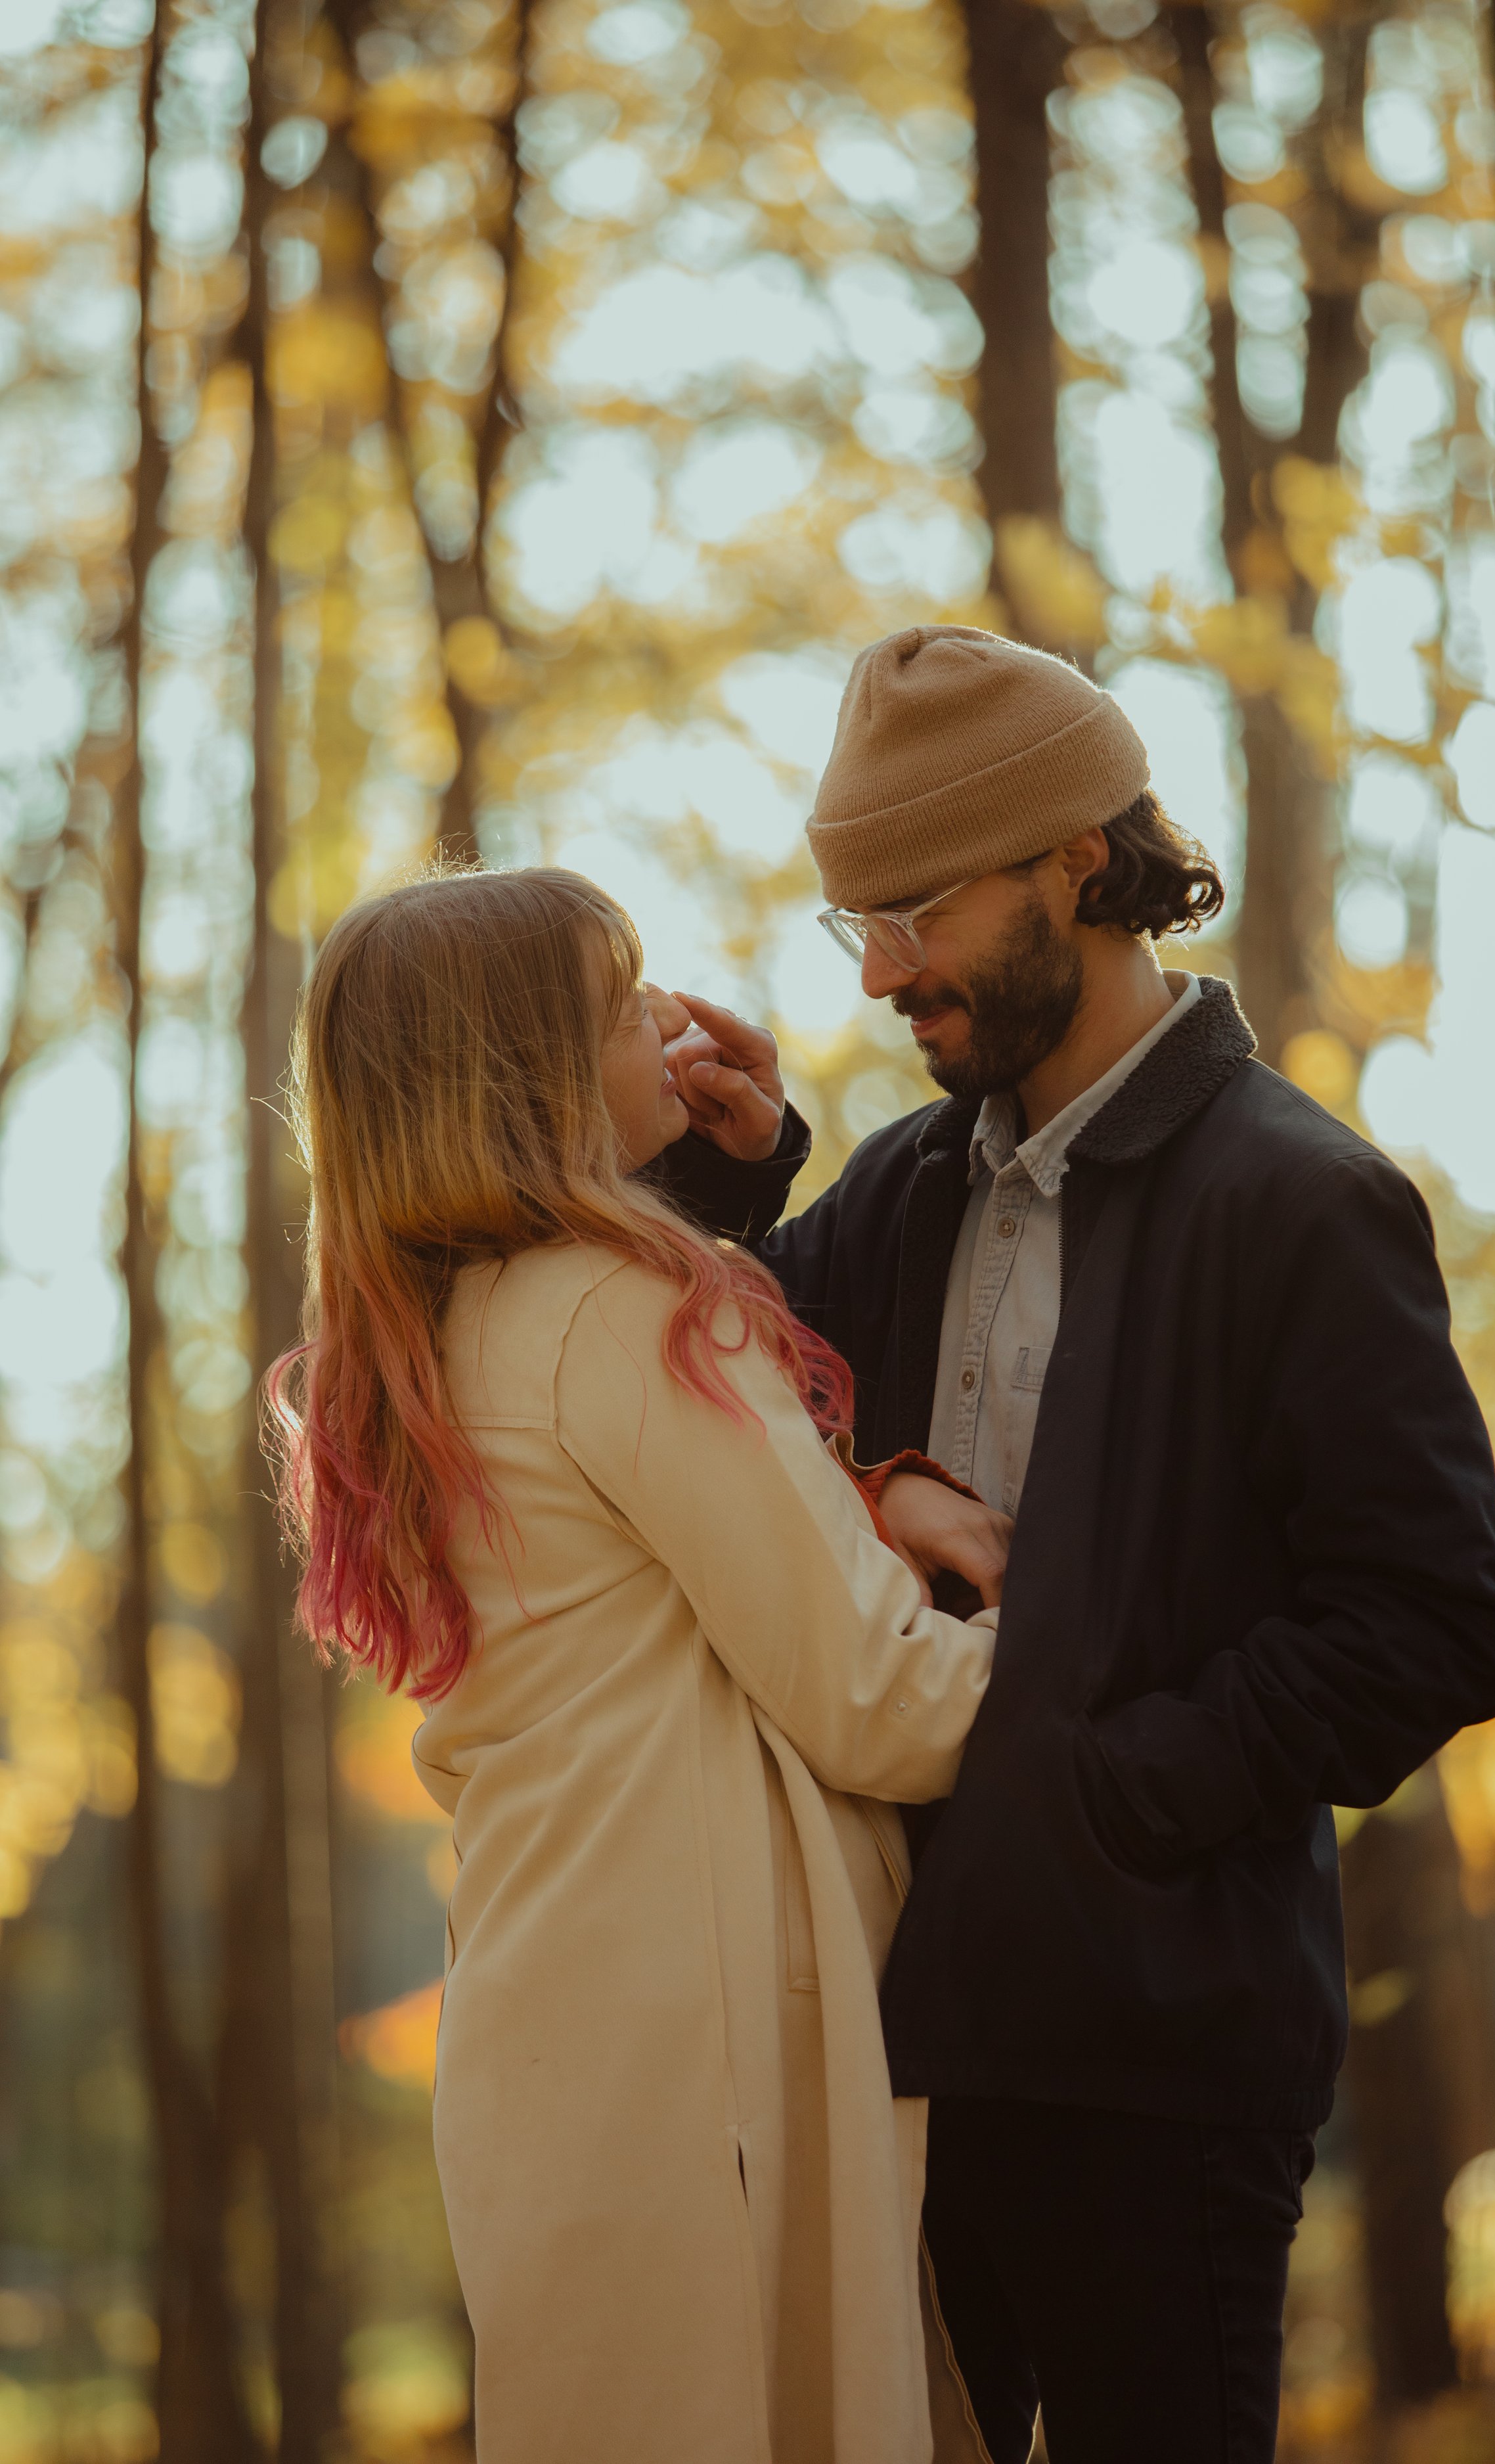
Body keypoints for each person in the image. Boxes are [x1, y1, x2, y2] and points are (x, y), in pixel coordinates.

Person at [654, 624, 1495, 2464]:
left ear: (1076, 856)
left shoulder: (1304, 1201)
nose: (884, 971)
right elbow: (723, 1415)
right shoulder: (892, 1187)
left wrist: (1121, 1784)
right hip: (890, 2050)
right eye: (856, 928)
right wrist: (728, 1181)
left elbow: (1437, 1620)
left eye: (917, 912)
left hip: (1159, 2065)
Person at [263, 866, 1015, 2464]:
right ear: (523, 1077)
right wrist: (1103, 1608)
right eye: (627, 1006)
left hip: (549, 2041)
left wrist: (864, 1505)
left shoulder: (423, 1343)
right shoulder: (624, 1313)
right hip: (716, 2052)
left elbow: (645, 1597)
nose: (676, 1021)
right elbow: (881, 1702)